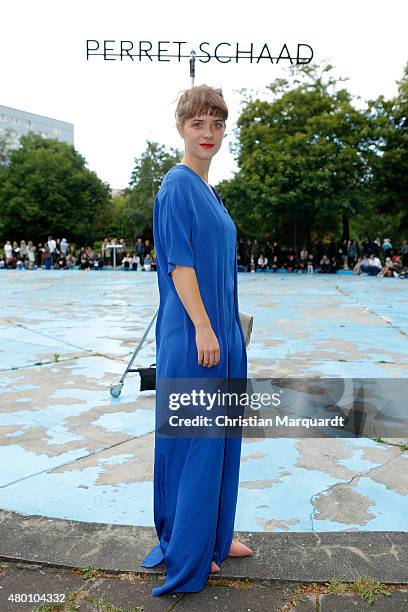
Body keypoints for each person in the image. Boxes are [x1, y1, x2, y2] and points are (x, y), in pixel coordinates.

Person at [140, 85, 251, 596]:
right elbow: (180, 266)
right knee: (196, 445)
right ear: (181, 128)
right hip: (194, 335)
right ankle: (187, 549)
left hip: (222, 330)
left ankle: (212, 536)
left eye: (216, 124)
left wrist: (231, 320)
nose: (208, 133)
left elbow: (213, 266)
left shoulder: (209, 190)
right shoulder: (177, 186)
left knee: (221, 440)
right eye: (197, 124)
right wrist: (206, 327)